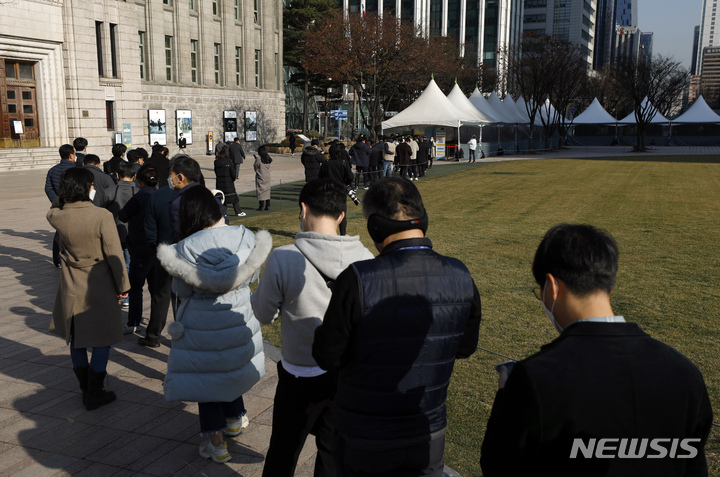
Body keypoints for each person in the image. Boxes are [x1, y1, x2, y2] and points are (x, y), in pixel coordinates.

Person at [480, 224, 713, 477]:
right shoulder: (686, 373)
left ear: (552, 286)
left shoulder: (535, 377)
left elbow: (499, 467)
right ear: (609, 286)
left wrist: (506, 396)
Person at [312, 177, 482, 477]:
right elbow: (465, 348)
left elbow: (327, 356)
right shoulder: (461, 275)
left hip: (364, 436)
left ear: (375, 226)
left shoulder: (357, 278)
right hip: (427, 430)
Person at [252, 178, 373, 477]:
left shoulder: (284, 257)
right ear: (341, 216)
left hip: (300, 374)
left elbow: (263, 314)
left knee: (283, 449)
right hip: (344, 374)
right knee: (331, 452)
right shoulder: (366, 260)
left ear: (303, 209)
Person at [157, 185, 271, 464]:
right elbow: (251, 278)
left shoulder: (183, 249)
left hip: (201, 324)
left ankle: (216, 443)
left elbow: (182, 292)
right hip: (237, 316)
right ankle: (234, 419)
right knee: (230, 369)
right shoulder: (243, 235)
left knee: (207, 380)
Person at [47, 167, 130, 411]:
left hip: (72, 281)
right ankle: (95, 390)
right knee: (102, 338)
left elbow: (52, 208)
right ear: (87, 187)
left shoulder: (58, 216)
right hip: (99, 281)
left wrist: (63, 195)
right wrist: (123, 285)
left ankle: (86, 387)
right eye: (91, 185)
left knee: (78, 338)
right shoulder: (101, 215)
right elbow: (114, 255)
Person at [119, 164, 159, 334]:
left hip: (140, 246)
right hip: (158, 247)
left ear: (139, 181)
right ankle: (156, 324)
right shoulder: (161, 196)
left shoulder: (139, 198)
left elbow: (122, 215)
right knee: (157, 289)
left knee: (136, 286)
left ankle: (134, 320)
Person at [99, 161, 139, 314]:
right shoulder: (138, 191)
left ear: (117, 175)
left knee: (112, 264)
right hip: (131, 234)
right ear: (134, 176)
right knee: (128, 264)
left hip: (112, 233)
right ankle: (127, 296)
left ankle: (114, 294)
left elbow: (101, 212)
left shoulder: (108, 191)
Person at [45, 144, 78, 268]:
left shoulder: (53, 170)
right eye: (74, 154)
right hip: (75, 203)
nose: (75, 156)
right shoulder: (76, 170)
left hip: (60, 205)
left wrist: (57, 201)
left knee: (60, 232)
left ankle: (57, 259)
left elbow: (48, 187)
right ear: (71, 155)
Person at [319, 143, 353, 236]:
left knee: (329, 213)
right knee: (342, 212)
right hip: (341, 190)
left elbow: (320, 177)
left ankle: (329, 232)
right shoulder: (343, 162)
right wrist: (346, 182)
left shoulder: (326, 163)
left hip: (329, 190)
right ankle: (343, 233)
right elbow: (350, 176)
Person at [214, 145, 246, 217]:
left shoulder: (216, 163)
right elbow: (233, 174)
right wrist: (232, 179)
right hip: (228, 182)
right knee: (234, 197)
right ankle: (238, 211)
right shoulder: (229, 163)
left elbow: (216, 172)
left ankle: (223, 213)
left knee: (222, 198)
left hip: (220, 182)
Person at [254, 145, 272, 211]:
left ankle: (261, 206)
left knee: (260, 191)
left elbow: (255, 166)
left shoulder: (258, 159)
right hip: (267, 176)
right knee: (267, 191)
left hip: (261, 175)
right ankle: (268, 205)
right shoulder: (267, 157)